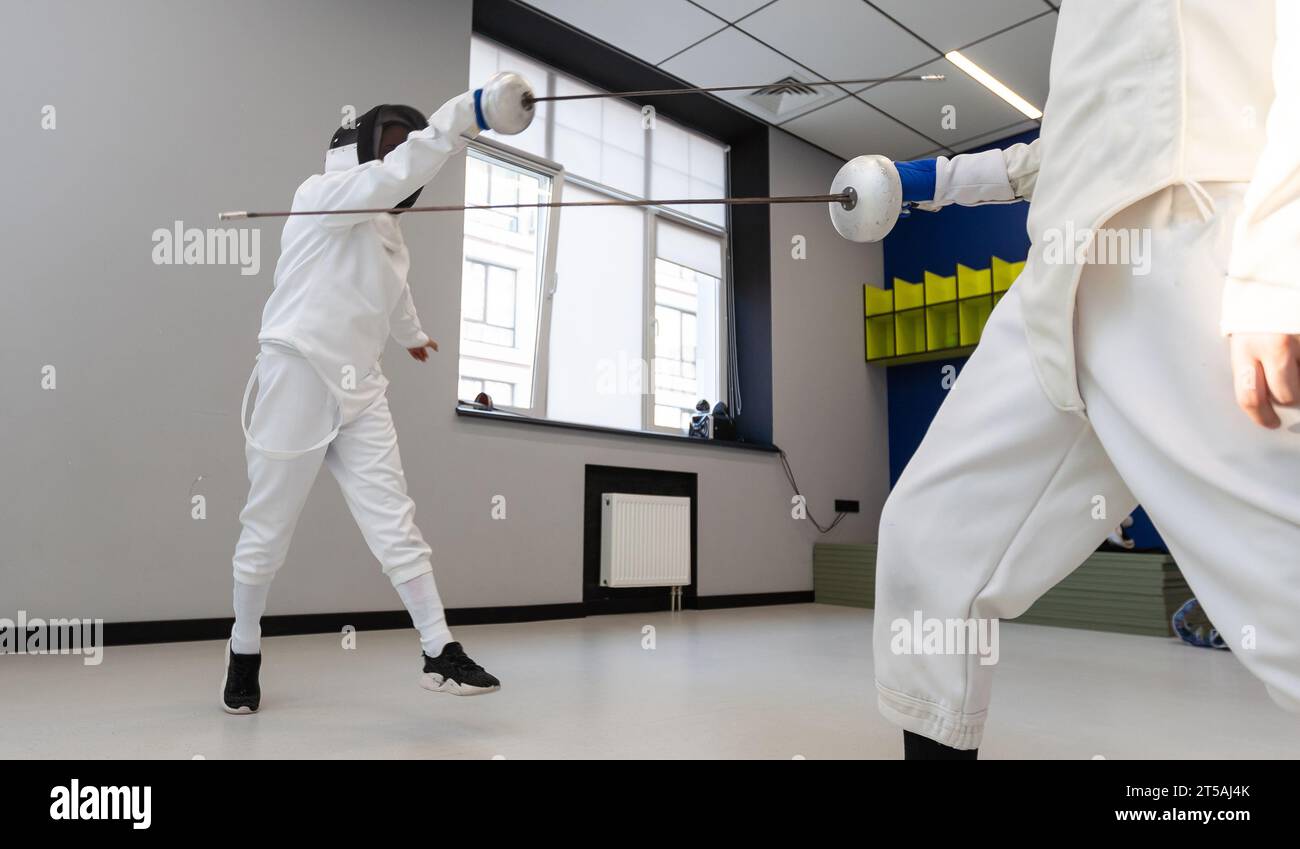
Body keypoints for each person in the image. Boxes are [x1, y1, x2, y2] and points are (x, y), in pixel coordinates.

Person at [856, 0, 1299, 757]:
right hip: (1054, 285)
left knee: (1283, 586)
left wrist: (1278, 265)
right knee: (927, 541)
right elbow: (1069, 144)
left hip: (1183, 234)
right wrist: (920, 181)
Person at [222, 74, 535, 714]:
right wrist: (469, 113)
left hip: (358, 387)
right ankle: (244, 647)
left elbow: (393, 293)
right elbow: (392, 178)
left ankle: (437, 650)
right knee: (267, 531)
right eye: (391, 148)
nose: (398, 162)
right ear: (361, 150)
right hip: (298, 374)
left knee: (395, 522)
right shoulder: (325, 192)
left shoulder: (388, 233)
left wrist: (414, 336)